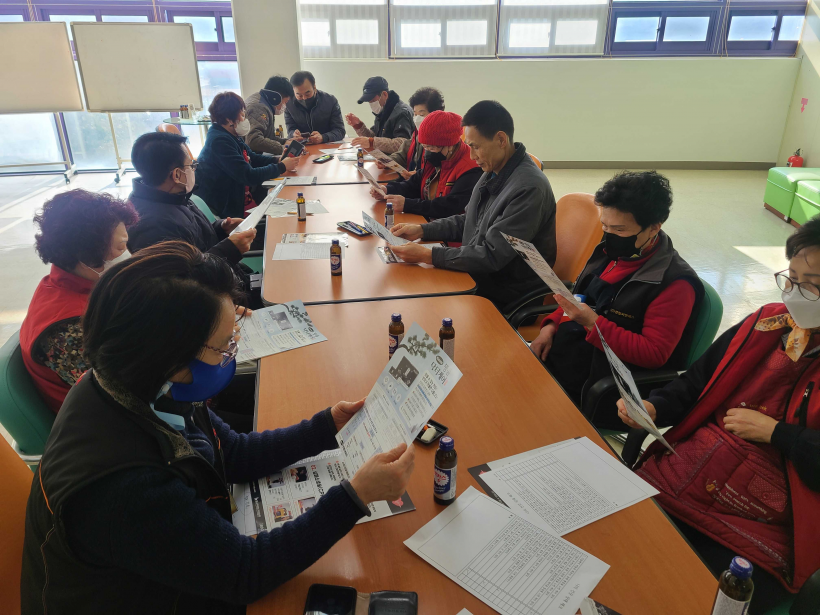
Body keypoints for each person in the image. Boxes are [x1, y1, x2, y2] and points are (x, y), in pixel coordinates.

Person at [21, 241, 416, 614]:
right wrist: (354, 497)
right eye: (225, 345)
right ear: (170, 355)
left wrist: (326, 425)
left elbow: (234, 452)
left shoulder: (146, 384)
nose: (232, 354)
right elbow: (245, 573)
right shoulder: (124, 487)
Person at [619, 219, 820, 611]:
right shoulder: (767, 322)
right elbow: (699, 380)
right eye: (791, 279)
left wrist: (778, 433)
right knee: (620, 544)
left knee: (684, 595)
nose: (794, 294)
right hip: (690, 469)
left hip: (766, 518)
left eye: (810, 285)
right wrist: (656, 406)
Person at [530, 171, 703, 417]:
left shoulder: (674, 284)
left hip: (604, 391)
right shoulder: (609, 253)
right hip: (566, 360)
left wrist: (593, 323)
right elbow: (578, 298)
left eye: (619, 229)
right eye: (604, 225)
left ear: (654, 227)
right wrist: (549, 328)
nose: (608, 235)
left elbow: (654, 354)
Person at [390, 100, 556, 308]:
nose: (471, 155)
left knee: (420, 302)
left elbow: (492, 255)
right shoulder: (494, 169)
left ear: (501, 140)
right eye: (469, 146)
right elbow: (469, 220)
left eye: (476, 147)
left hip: (503, 291)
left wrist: (428, 255)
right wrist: (422, 230)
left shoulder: (528, 188)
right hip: (477, 275)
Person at [19, 189, 137, 413]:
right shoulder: (68, 331)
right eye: (121, 248)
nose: (128, 255)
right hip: (106, 423)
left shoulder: (72, 284)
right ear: (86, 256)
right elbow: (128, 396)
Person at [128, 131, 256, 270]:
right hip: (217, 280)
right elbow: (186, 278)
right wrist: (230, 249)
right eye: (191, 165)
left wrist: (221, 228)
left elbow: (193, 237)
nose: (194, 170)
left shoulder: (173, 196)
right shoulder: (153, 226)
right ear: (177, 175)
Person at [194, 91, 299, 219]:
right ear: (228, 119)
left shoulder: (231, 135)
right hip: (223, 207)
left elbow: (253, 158)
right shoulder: (219, 141)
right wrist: (281, 167)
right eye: (242, 114)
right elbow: (248, 175)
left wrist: (277, 160)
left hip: (236, 197)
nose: (245, 119)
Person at [372, 111, 481, 220]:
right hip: (429, 220)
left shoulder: (470, 168)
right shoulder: (437, 158)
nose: (428, 151)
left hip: (448, 227)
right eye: (425, 147)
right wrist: (387, 190)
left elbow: (449, 206)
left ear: (450, 145)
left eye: (431, 147)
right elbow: (415, 183)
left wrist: (407, 204)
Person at [345, 76, 413, 154]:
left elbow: (402, 144)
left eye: (373, 100)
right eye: (369, 101)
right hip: (383, 158)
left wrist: (372, 142)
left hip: (397, 160)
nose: (371, 104)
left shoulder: (402, 113)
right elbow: (374, 137)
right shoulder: (383, 110)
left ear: (385, 94)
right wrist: (358, 125)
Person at [387, 87, 446, 176]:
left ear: (436, 114)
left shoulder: (442, 138)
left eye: (421, 114)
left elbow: (438, 171)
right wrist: (388, 161)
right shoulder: (417, 133)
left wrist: (417, 176)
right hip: (411, 178)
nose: (417, 119)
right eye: (415, 114)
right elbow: (403, 153)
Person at [284, 71, 345, 144]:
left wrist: (323, 137)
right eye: (299, 95)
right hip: (303, 147)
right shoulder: (288, 104)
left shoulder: (330, 101)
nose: (304, 98)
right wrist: (293, 134)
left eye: (307, 93)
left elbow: (340, 131)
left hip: (326, 146)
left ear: (314, 87)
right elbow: (290, 130)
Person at [245, 75, 295, 156]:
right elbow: (254, 140)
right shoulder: (259, 107)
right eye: (285, 102)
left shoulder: (263, 102)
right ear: (276, 97)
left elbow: (267, 137)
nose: (285, 106)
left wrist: (285, 142)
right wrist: (282, 148)